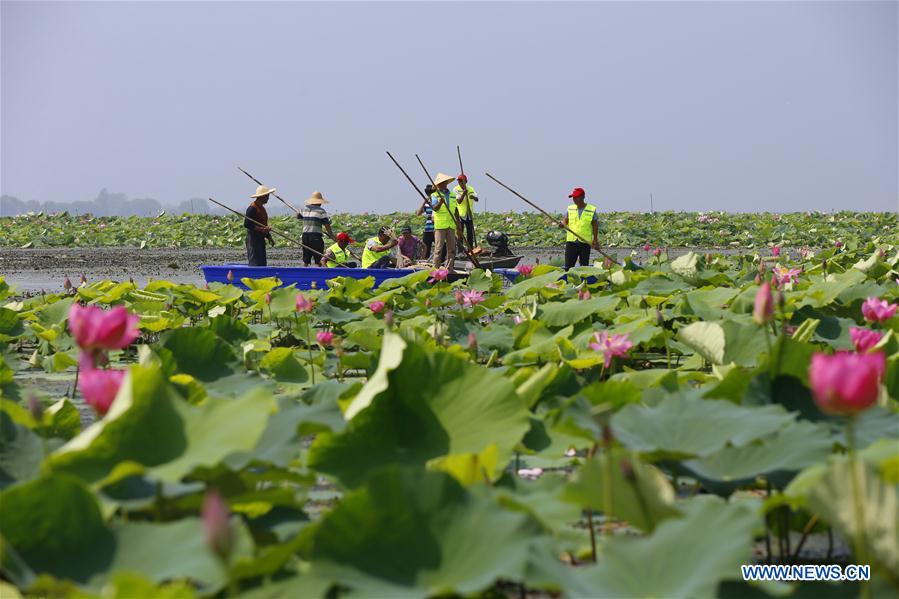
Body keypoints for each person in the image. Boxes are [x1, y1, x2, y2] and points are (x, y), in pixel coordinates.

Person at [560, 187, 599, 270]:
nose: (574, 199)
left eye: (576, 197)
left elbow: (595, 225)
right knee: (568, 267)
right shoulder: (570, 208)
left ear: (583, 197)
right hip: (571, 241)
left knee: (584, 267)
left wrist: (595, 240)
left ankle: (584, 282)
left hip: (585, 242)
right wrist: (562, 224)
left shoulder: (591, 210)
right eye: (573, 198)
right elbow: (565, 221)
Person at [431, 172, 460, 269]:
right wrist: (440, 203)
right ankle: (436, 269)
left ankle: (449, 269)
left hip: (451, 225)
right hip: (440, 226)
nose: (441, 185)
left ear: (446, 183)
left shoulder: (452, 194)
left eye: (443, 183)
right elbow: (435, 208)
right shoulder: (435, 195)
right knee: (438, 249)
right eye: (439, 184)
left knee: (451, 249)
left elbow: (455, 210)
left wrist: (458, 224)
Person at [298, 191, 334, 267]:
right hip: (315, 237)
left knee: (306, 259)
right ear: (320, 202)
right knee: (319, 259)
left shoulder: (304, 209)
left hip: (305, 237)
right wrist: (331, 235)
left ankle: (303, 274)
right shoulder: (321, 211)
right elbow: (327, 224)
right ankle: (318, 276)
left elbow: (298, 216)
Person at [245, 185, 275, 266]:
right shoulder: (252, 208)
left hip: (260, 238)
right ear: (262, 197)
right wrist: (261, 230)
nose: (268, 198)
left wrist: (269, 237)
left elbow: (264, 225)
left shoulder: (262, 208)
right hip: (253, 239)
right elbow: (247, 224)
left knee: (261, 261)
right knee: (254, 261)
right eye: (267, 196)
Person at [452, 174, 479, 248]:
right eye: (459, 181)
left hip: (469, 214)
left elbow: (477, 199)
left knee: (470, 232)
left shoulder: (470, 189)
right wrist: (464, 193)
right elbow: (459, 201)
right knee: (460, 232)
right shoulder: (456, 189)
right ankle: (461, 250)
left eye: (461, 181)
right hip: (460, 214)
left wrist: (473, 196)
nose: (460, 183)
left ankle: (470, 248)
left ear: (465, 182)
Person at [416, 184, 436, 260]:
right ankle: (425, 261)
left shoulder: (436, 202)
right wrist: (424, 202)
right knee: (426, 247)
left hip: (436, 228)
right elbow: (418, 213)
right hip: (428, 228)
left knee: (440, 247)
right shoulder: (427, 204)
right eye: (428, 193)